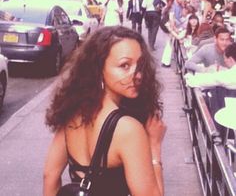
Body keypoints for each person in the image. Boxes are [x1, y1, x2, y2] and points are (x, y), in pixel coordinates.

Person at [43, 26, 166, 196]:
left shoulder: (73, 113)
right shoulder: (128, 130)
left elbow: (50, 176)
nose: (137, 74)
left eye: (140, 65)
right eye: (125, 65)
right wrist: (154, 146)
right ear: (99, 67)